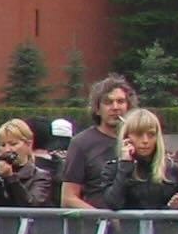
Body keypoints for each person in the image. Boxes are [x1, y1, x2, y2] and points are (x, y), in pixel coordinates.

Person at [58, 75, 136, 212]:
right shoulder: (81, 143)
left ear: (128, 106)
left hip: (135, 222)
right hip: (97, 222)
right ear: (97, 109)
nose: (115, 107)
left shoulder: (139, 139)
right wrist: (103, 218)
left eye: (120, 101)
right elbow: (68, 198)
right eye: (108, 102)